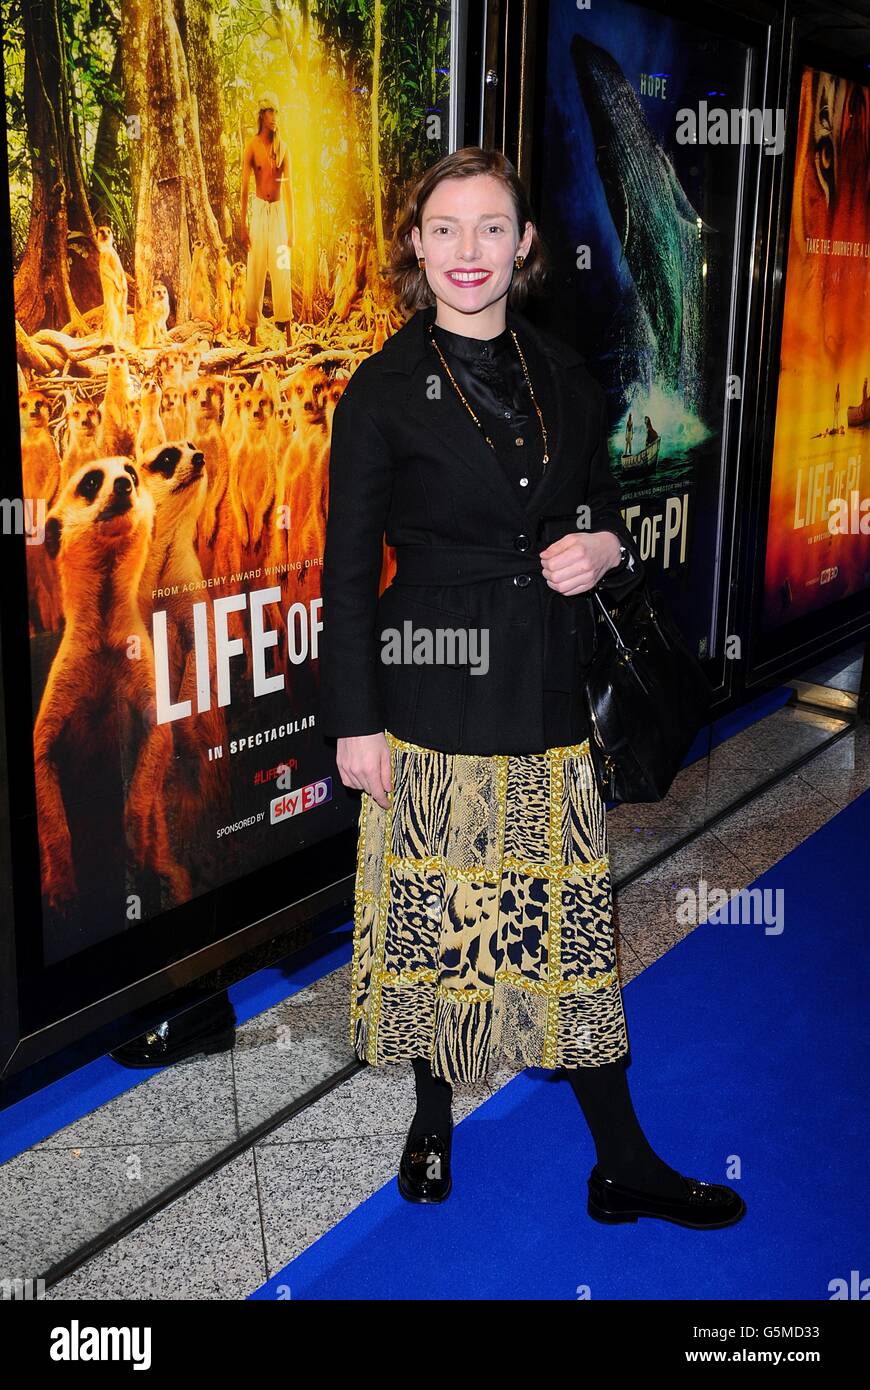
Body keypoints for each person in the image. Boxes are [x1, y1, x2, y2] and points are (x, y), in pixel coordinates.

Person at [319, 147, 744, 1230]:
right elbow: (346, 570)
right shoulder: (380, 391)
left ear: (525, 246)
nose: (469, 251)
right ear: (417, 246)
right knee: (434, 927)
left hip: (548, 690)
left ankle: (624, 1161)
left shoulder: (568, 374)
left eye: (491, 227)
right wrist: (357, 721)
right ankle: (430, 1110)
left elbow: (603, 509)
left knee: (568, 941)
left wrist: (603, 549)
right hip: (432, 693)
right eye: (446, 228)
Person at [240, 93, 295, 346]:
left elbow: (289, 189)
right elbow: (243, 188)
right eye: (270, 112)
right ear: (262, 115)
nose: (274, 118)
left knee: (282, 269)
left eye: (277, 112)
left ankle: (289, 330)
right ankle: (252, 332)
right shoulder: (252, 146)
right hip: (259, 211)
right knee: (256, 268)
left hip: (279, 214)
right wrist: (243, 224)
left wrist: (292, 228)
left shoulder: (283, 148)